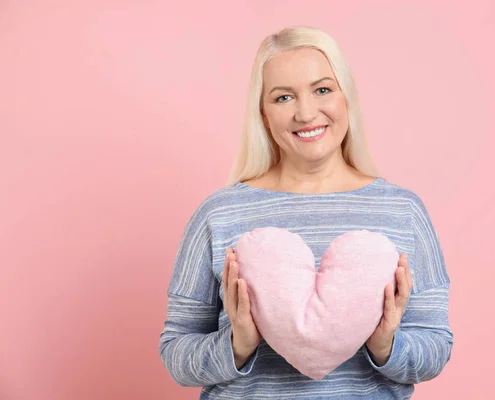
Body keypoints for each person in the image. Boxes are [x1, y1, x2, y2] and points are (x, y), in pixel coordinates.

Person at [159, 25, 453, 399]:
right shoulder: (220, 213)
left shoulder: (402, 211)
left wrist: (386, 345)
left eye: (323, 90)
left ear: (346, 98)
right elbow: (176, 351)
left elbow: (436, 345)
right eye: (283, 97)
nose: (306, 112)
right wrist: (237, 343)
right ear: (263, 114)